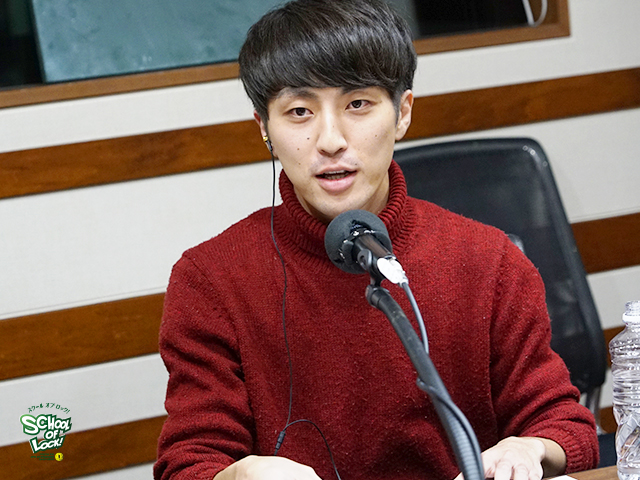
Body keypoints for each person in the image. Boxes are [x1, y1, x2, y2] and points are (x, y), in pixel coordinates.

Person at [154, 1, 599, 479]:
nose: (330, 140)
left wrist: (529, 449)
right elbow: (188, 462)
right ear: (265, 128)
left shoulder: (488, 260)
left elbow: (563, 424)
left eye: (358, 105)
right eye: (299, 111)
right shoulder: (210, 280)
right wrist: (236, 475)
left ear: (402, 113)